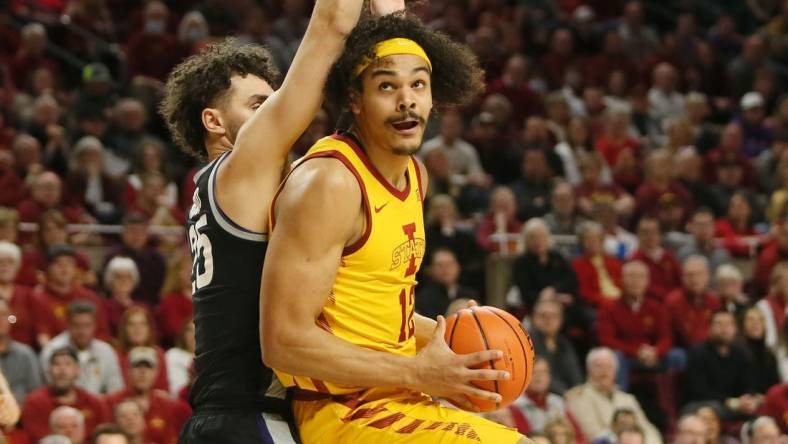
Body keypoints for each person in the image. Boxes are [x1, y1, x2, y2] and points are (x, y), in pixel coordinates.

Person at [261, 13, 527, 443]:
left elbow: (376, 316)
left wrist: (459, 344)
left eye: (418, 85)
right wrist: (418, 371)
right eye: (387, 86)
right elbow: (282, 341)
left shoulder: (415, 176)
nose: (407, 100)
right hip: (344, 411)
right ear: (355, 99)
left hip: (401, 397)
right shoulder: (330, 182)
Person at [159, 0, 388, 441]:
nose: (273, 115)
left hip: (224, 416)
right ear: (215, 120)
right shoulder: (240, 168)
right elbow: (328, 26)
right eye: (259, 105)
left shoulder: (228, 190)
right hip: (251, 415)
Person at [596, 261, 681, 391]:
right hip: (627, 356)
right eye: (631, 276)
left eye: (640, 277)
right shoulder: (609, 307)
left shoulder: (656, 307)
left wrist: (655, 352)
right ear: (622, 280)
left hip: (652, 355)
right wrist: (636, 351)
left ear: (647, 281)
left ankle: (675, 404)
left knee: (678, 355)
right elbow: (607, 340)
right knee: (616, 357)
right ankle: (620, 400)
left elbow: (666, 337)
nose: (635, 281)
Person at [564, 348, 661, 444]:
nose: (604, 372)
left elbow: (649, 430)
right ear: (588, 370)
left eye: (609, 367)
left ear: (615, 371)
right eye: (599, 367)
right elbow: (593, 434)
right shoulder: (578, 397)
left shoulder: (627, 399)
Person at [22, 346, 110, 442]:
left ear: (78, 370)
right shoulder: (35, 403)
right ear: (49, 371)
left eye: (68, 364)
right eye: (56, 364)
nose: (62, 370)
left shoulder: (94, 403)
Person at [105, 348, 189, 444]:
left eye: (148, 367)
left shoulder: (168, 406)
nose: (143, 372)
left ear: (156, 372)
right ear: (128, 371)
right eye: (137, 366)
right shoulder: (112, 402)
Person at [686, 311, 760, 420]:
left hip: (734, 404)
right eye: (719, 324)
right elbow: (700, 390)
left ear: (735, 329)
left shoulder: (740, 354)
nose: (724, 328)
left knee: (758, 408)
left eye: (729, 324)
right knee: (714, 408)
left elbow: (748, 383)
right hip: (701, 404)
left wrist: (748, 398)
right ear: (709, 328)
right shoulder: (698, 353)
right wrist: (731, 402)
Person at [40, 301, 124, 396]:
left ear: (95, 325)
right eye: (77, 325)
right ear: (68, 325)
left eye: (87, 325)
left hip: (98, 406)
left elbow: (116, 390)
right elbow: (53, 390)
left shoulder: (106, 351)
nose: (82, 331)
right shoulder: (52, 351)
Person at [527, 298, 583, 395]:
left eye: (553, 316)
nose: (548, 320)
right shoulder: (526, 343)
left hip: (565, 398)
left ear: (561, 320)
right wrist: (565, 393)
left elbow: (575, 375)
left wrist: (577, 392)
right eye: (543, 315)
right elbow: (538, 377)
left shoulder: (564, 344)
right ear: (534, 317)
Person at [666, 256, 722, 348]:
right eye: (690, 275)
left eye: (699, 274)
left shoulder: (714, 300)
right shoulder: (673, 301)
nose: (694, 279)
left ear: (707, 276)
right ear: (682, 278)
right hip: (683, 348)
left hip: (710, 348)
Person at [415, 248, 477, 319]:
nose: (445, 269)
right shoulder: (422, 299)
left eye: (450, 264)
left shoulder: (470, 294)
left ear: (458, 267)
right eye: (439, 265)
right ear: (430, 270)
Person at [0, 298, 41, 405]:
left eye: (4, 315)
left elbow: (35, 392)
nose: (0, 320)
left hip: (24, 415)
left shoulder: (25, 354)